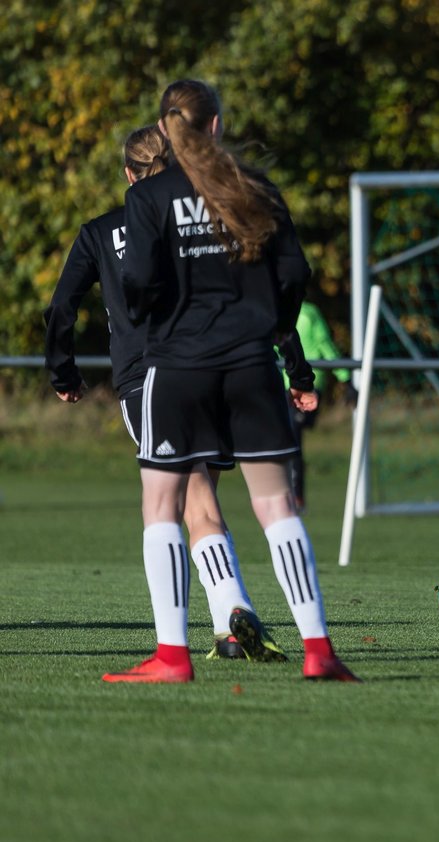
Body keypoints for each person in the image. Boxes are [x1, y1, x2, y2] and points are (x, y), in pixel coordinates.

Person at [110, 79, 358, 682]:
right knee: (276, 505)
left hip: (177, 366)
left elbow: (137, 281)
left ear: (166, 129)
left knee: (163, 506)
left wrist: (159, 320)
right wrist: (266, 327)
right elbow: (294, 274)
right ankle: (319, 650)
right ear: (216, 125)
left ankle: (172, 657)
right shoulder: (255, 188)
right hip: (251, 364)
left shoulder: (151, 197)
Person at [43, 124, 311, 663]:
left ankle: (233, 608)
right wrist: (297, 372)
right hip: (217, 370)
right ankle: (226, 625)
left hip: (150, 378)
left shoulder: (100, 232)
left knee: (188, 502)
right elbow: (266, 293)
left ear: (128, 174)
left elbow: (61, 309)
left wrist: (63, 374)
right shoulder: (206, 218)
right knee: (203, 500)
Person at [280, 301, 350, 511]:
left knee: (294, 438)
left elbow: (325, 345)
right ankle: (289, 495)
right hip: (281, 387)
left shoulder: (309, 313)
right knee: (287, 440)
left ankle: (297, 496)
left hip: (307, 385)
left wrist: (345, 379)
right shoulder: (274, 308)